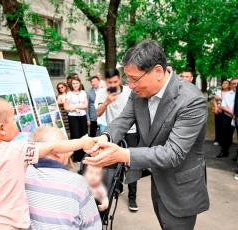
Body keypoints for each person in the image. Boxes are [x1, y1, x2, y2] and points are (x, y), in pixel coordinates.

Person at [84, 40, 209, 229]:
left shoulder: (192, 101)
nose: (130, 86)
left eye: (134, 79)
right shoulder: (138, 92)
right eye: (128, 79)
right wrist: (105, 137)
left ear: (158, 71)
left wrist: (123, 154)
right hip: (158, 179)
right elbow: (123, 120)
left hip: (181, 188)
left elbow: (173, 153)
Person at [0, 97, 95, 230]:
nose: (17, 122)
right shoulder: (18, 150)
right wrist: (81, 143)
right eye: (14, 120)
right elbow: (52, 147)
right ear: (2, 128)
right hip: (10, 225)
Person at [25, 125, 102, 229]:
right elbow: (94, 226)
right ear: (57, 152)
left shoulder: (23, 174)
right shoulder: (77, 183)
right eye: (66, 144)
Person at [96, 68, 139, 211]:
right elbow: (96, 113)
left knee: (132, 163)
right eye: (110, 82)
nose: (113, 85)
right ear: (106, 82)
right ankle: (117, 186)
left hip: (130, 131)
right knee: (113, 161)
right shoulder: (102, 93)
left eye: (115, 81)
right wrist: (107, 102)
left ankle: (132, 198)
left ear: (119, 80)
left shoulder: (129, 92)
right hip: (113, 132)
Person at [64, 76, 89, 162]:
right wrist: (74, 109)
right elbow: (66, 107)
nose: (75, 85)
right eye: (73, 83)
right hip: (73, 117)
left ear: (80, 83)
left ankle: (84, 156)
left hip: (83, 116)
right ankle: (76, 157)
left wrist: (75, 106)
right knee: (75, 136)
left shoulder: (83, 93)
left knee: (84, 135)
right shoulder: (69, 94)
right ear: (71, 84)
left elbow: (85, 105)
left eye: (77, 83)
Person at [217, 78, 238, 158]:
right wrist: (233, 113)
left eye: (237, 83)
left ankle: (237, 155)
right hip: (228, 117)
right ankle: (224, 152)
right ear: (230, 85)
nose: (236, 85)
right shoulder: (227, 94)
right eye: (233, 83)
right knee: (226, 135)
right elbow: (223, 105)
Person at [213, 80, 230, 146]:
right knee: (218, 125)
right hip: (219, 110)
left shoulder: (230, 93)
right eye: (223, 83)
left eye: (226, 83)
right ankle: (217, 140)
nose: (224, 84)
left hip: (227, 110)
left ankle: (225, 140)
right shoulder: (219, 91)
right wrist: (216, 107)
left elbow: (229, 101)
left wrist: (220, 98)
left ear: (229, 85)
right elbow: (215, 100)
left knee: (226, 126)